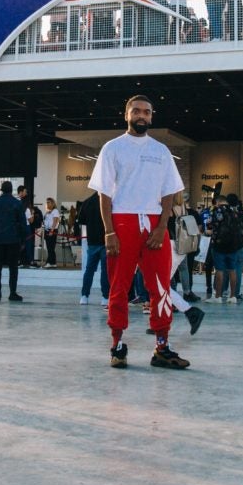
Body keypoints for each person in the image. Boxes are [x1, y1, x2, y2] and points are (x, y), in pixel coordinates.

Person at [89, 94, 188, 370]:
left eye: (146, 111)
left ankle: (162, 347)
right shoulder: (112, 148)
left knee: (161, 286)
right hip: (123, 221)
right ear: (126, 115)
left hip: (154, 223)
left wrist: (162, 226)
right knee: (119, 286)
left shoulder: (161, 150)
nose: (141, 115)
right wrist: (109, 232)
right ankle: (117, 345)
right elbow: (104, 194)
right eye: (136, 111)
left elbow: (169, 192)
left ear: (151, 116)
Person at [0, 180, 26, 301]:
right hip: (13, 239)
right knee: (13, 267)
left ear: (1, 190)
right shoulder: (17, 203)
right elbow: (23, 224)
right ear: (12, 189)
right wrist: (23, 240)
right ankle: (12, 293)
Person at [210, 194, 243, 302]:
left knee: (219, 270)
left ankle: (218, 296)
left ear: (218, 202)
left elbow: (210, 227)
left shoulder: (217, 211)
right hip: (234, 246)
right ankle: (233, 296)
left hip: (219, 245)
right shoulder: (235, 212)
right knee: (233, 270)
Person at [78, 191, 109, 305]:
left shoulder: (87, 202)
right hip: (105, 240)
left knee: (89, 270)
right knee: (105, 271)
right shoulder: (108, 200)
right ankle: (105, 297)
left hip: (92, 241)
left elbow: (81, 221)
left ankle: (84, 296)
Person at [42, 197, 60, 268]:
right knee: (49, 247)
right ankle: (53, 262)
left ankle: (49, 262)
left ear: (52, 203)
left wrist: (52, 231)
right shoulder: (48, 212)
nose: (47, 204)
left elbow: (55, 221)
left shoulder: (55, 211)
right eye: (47, 202)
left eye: (48, 202)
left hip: (52, 230)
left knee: (51, 247)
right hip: (47, 230)